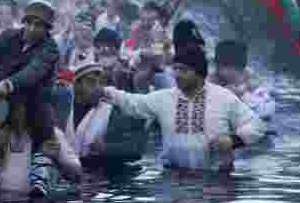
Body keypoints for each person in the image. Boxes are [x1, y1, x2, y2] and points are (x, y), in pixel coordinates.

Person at [99, 44, 265, 172]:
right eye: (176, 69)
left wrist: (232, 140)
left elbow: (256, 126)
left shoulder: (224, 97)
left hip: (215, 180)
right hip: (173, 177)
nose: (177, 74)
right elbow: (133, 103)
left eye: (183, 70)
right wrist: (104, 91)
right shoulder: (164, 98)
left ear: (199, 73)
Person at [0, 0, 63, 197]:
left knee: (44, 125)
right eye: (29, 22)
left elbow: (34, 72)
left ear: (47, 29)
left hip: (35, 103)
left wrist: (7, 85)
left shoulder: (50, 49)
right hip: (4, 102)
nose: (32, 28)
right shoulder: (9, 36)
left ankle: (39, 174)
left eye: (38, 25)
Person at [0, 101, 81, 196]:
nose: (19, 113)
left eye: (24, 104)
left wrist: (56, 159)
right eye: (14, 106)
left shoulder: (50, 134)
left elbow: (77, 175)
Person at [71, 63, 148, 165]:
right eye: (91, 82)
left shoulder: (111, 112)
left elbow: (136, 150)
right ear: (76, 85)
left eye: (101, 82)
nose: (98, 87)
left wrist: (106, 148)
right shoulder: (65, 108)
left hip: (101, 174)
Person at [210, 40, 275, 122]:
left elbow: (268, 110)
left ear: (242, 68)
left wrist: (243, 95)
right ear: (217, 66)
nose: (231, 73)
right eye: (227, 68)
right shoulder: (213, 80)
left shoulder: (249, 79)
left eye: (236, 69)